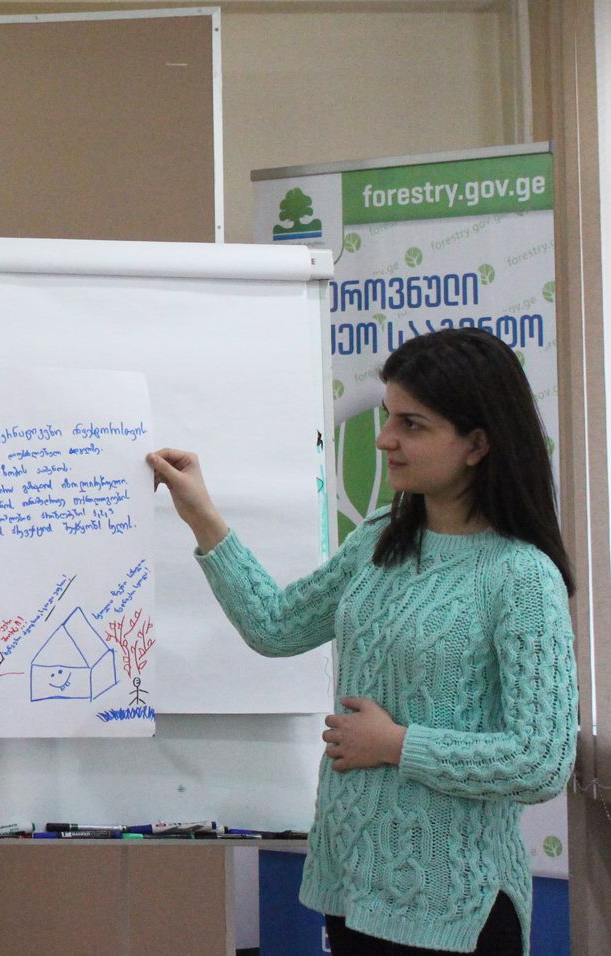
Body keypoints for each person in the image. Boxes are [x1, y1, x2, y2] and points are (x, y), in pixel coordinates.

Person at [147, 327, 577, 956]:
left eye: (411, 424)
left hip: (456, 910)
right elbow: (275, 625)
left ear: (478, 444)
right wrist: (201, 516)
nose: (384, 439)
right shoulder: (380, 539)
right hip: (353, 891)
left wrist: (397, 744)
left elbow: (542, 761)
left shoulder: (522, 577)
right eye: (387, 416)